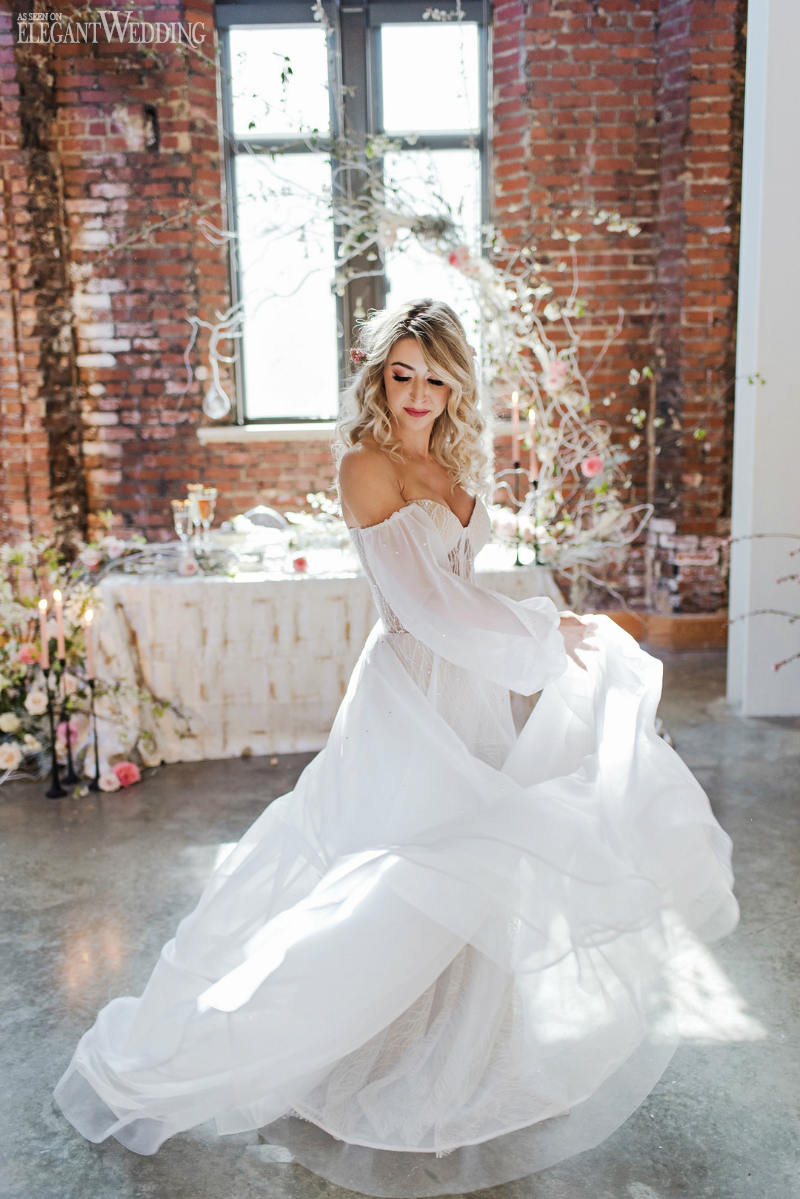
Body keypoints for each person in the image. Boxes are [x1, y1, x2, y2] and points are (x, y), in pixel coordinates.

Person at [54, 298, 739, 1198]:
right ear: (377, 374)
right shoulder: (365, 465)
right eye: (400, 373)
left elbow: (461, 585)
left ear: (458, 380)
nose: (416, 393)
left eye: (433, 376)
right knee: (389, 873)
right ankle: (267, 1039)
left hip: (468, 691)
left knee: (466, 862)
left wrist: (535, 637)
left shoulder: (449, 457)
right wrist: (541, 628)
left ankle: (443, 1046)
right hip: (407, 695)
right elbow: (423, 605)